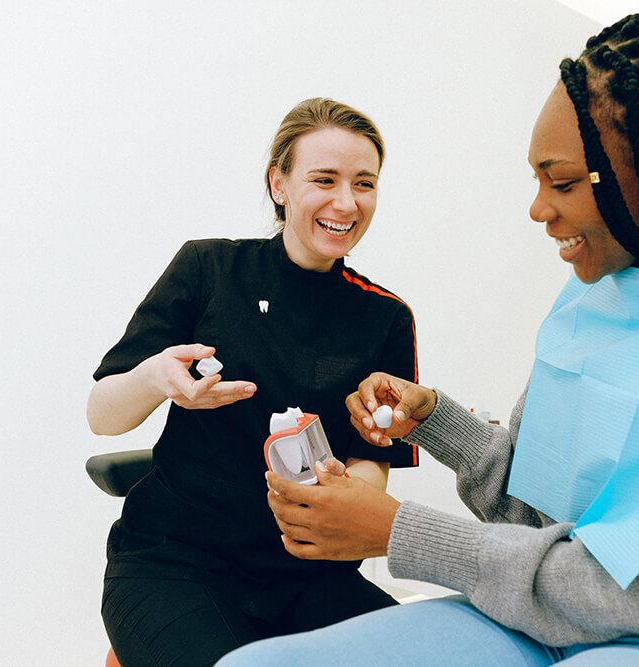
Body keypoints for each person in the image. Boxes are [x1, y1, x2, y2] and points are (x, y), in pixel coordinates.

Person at [216, 9, 639, 667]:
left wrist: (403, 533)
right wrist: (439, 423)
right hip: (549, 620)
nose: (538, 208)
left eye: (561, 181)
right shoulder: (600, 297)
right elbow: (542, 520)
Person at [87, 97, 419, 667]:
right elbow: (102, 415)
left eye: (364, 183)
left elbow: (372, 465)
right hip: (175, 565)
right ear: (280, 184)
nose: (346, 202)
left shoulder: (385, 316)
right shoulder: (208, 270)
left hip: (308, 576)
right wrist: (155, 377)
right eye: (324, 179)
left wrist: (346, 486)